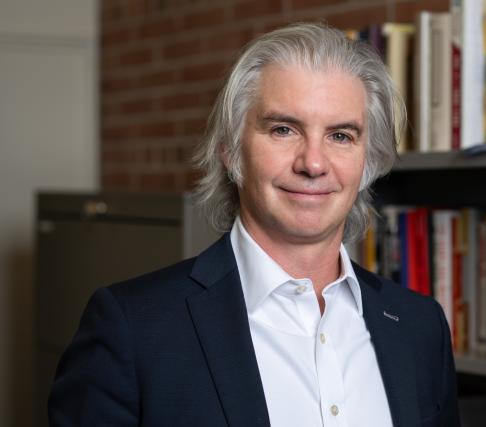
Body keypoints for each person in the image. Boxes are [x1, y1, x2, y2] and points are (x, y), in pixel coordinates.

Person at [49, 22, 460, 427]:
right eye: (283, 129)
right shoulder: (133, 328)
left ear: (368, 160)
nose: (313, 163)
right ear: (230, 150)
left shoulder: (420, 327)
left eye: (340, 136)